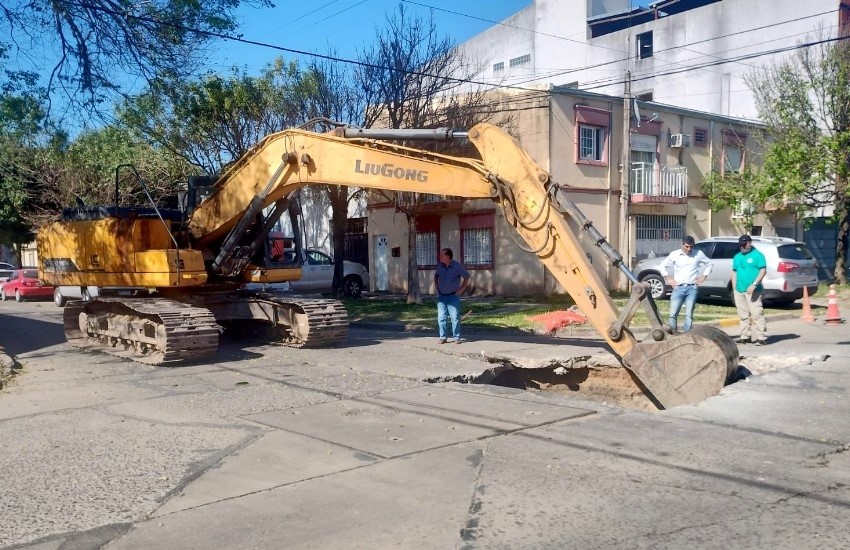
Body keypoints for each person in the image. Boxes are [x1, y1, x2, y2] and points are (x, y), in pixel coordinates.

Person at [659, 235, 713, 332]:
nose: (689, 249)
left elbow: (709, 264)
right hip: (678, 287)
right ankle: (673, 334)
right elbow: (662, 266)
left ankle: (687, 335)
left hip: (691, 288)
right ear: (682, 245)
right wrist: (669, 278)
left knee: (688, 314)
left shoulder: (698, 254)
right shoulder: (675, 254)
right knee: (673, 314)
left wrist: (703, 276)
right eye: (687, 246)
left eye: (691, 246)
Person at [731, 234, 767, 345]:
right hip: (739, 289)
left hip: (753, 290)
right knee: (743, 315)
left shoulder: (757, 255)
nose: (742, 247)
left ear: (749, 243)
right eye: (740, 245)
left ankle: (762, 337)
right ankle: (745, 336)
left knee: (756, 314)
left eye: (744, 244)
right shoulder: (737, 256)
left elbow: (763, 271)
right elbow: (734, 271)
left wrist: (754, 284)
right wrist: (734, 287)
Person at [434, 247, 470, 344]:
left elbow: (466, 276)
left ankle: (456, 337)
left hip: (453, 296)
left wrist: (462, 289)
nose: (440, 257)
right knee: (441, 318)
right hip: (441, 297)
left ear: (448, 257)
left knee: (455, 317)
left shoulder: (457, 266)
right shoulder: (440, 266)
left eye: (442, 255)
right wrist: (437, 289)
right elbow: (436, 276)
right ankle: (443, 337)